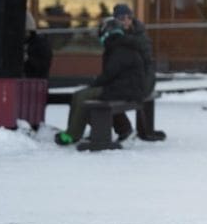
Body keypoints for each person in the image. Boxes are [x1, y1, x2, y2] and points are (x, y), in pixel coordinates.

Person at [55, 18, 148, 146]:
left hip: (126, 89)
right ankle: (72, 131)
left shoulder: (119, 48)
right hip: (123, 87)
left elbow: (109, 74)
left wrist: (93, 85)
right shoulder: (118, 46)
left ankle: (72, 135)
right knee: (79, 95)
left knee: (83, 96)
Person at [112, 3, 163, 141]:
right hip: (131, 79)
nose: (126, 20)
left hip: (143, 80)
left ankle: (126, 129)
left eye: (129, 17)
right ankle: (133, 129)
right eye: (122, 17)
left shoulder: (138, 36)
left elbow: (143, 63)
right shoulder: (114, 34)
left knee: (106, 95)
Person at [22, 12, 52, 79]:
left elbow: (42, 67)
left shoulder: (40, 44)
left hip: (35, 80)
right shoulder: (36, 42)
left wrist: (27, 59)